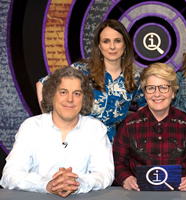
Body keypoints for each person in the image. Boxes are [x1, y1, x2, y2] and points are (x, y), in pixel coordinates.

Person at [1, 67, 114, 197]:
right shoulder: (31, 127)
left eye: (76, 93)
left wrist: (77, 184)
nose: (70, 99)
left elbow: (104, 173)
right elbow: (10, 175)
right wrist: (47, 185)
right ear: (51, 94)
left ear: (84, 98)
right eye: (63, 92)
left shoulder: (95, 129)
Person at [36, 19, 146, 142]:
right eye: (106, 41)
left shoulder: (134, 78)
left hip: (109, 146)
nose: (112, 46)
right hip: (76, 141)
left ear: (125, 44)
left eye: (117, 41)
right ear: (99, 46)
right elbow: (42, 84)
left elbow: (147, 104)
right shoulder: (82, 70)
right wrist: (51, 124)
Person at [113, 63, 186, 192]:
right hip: (138, 194)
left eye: (163, 87)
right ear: (144, 93)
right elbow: (118, 162)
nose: (157, 94)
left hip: (180, 194)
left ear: (173, 92)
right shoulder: (128, 125)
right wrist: (126, 178)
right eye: (151, 88)